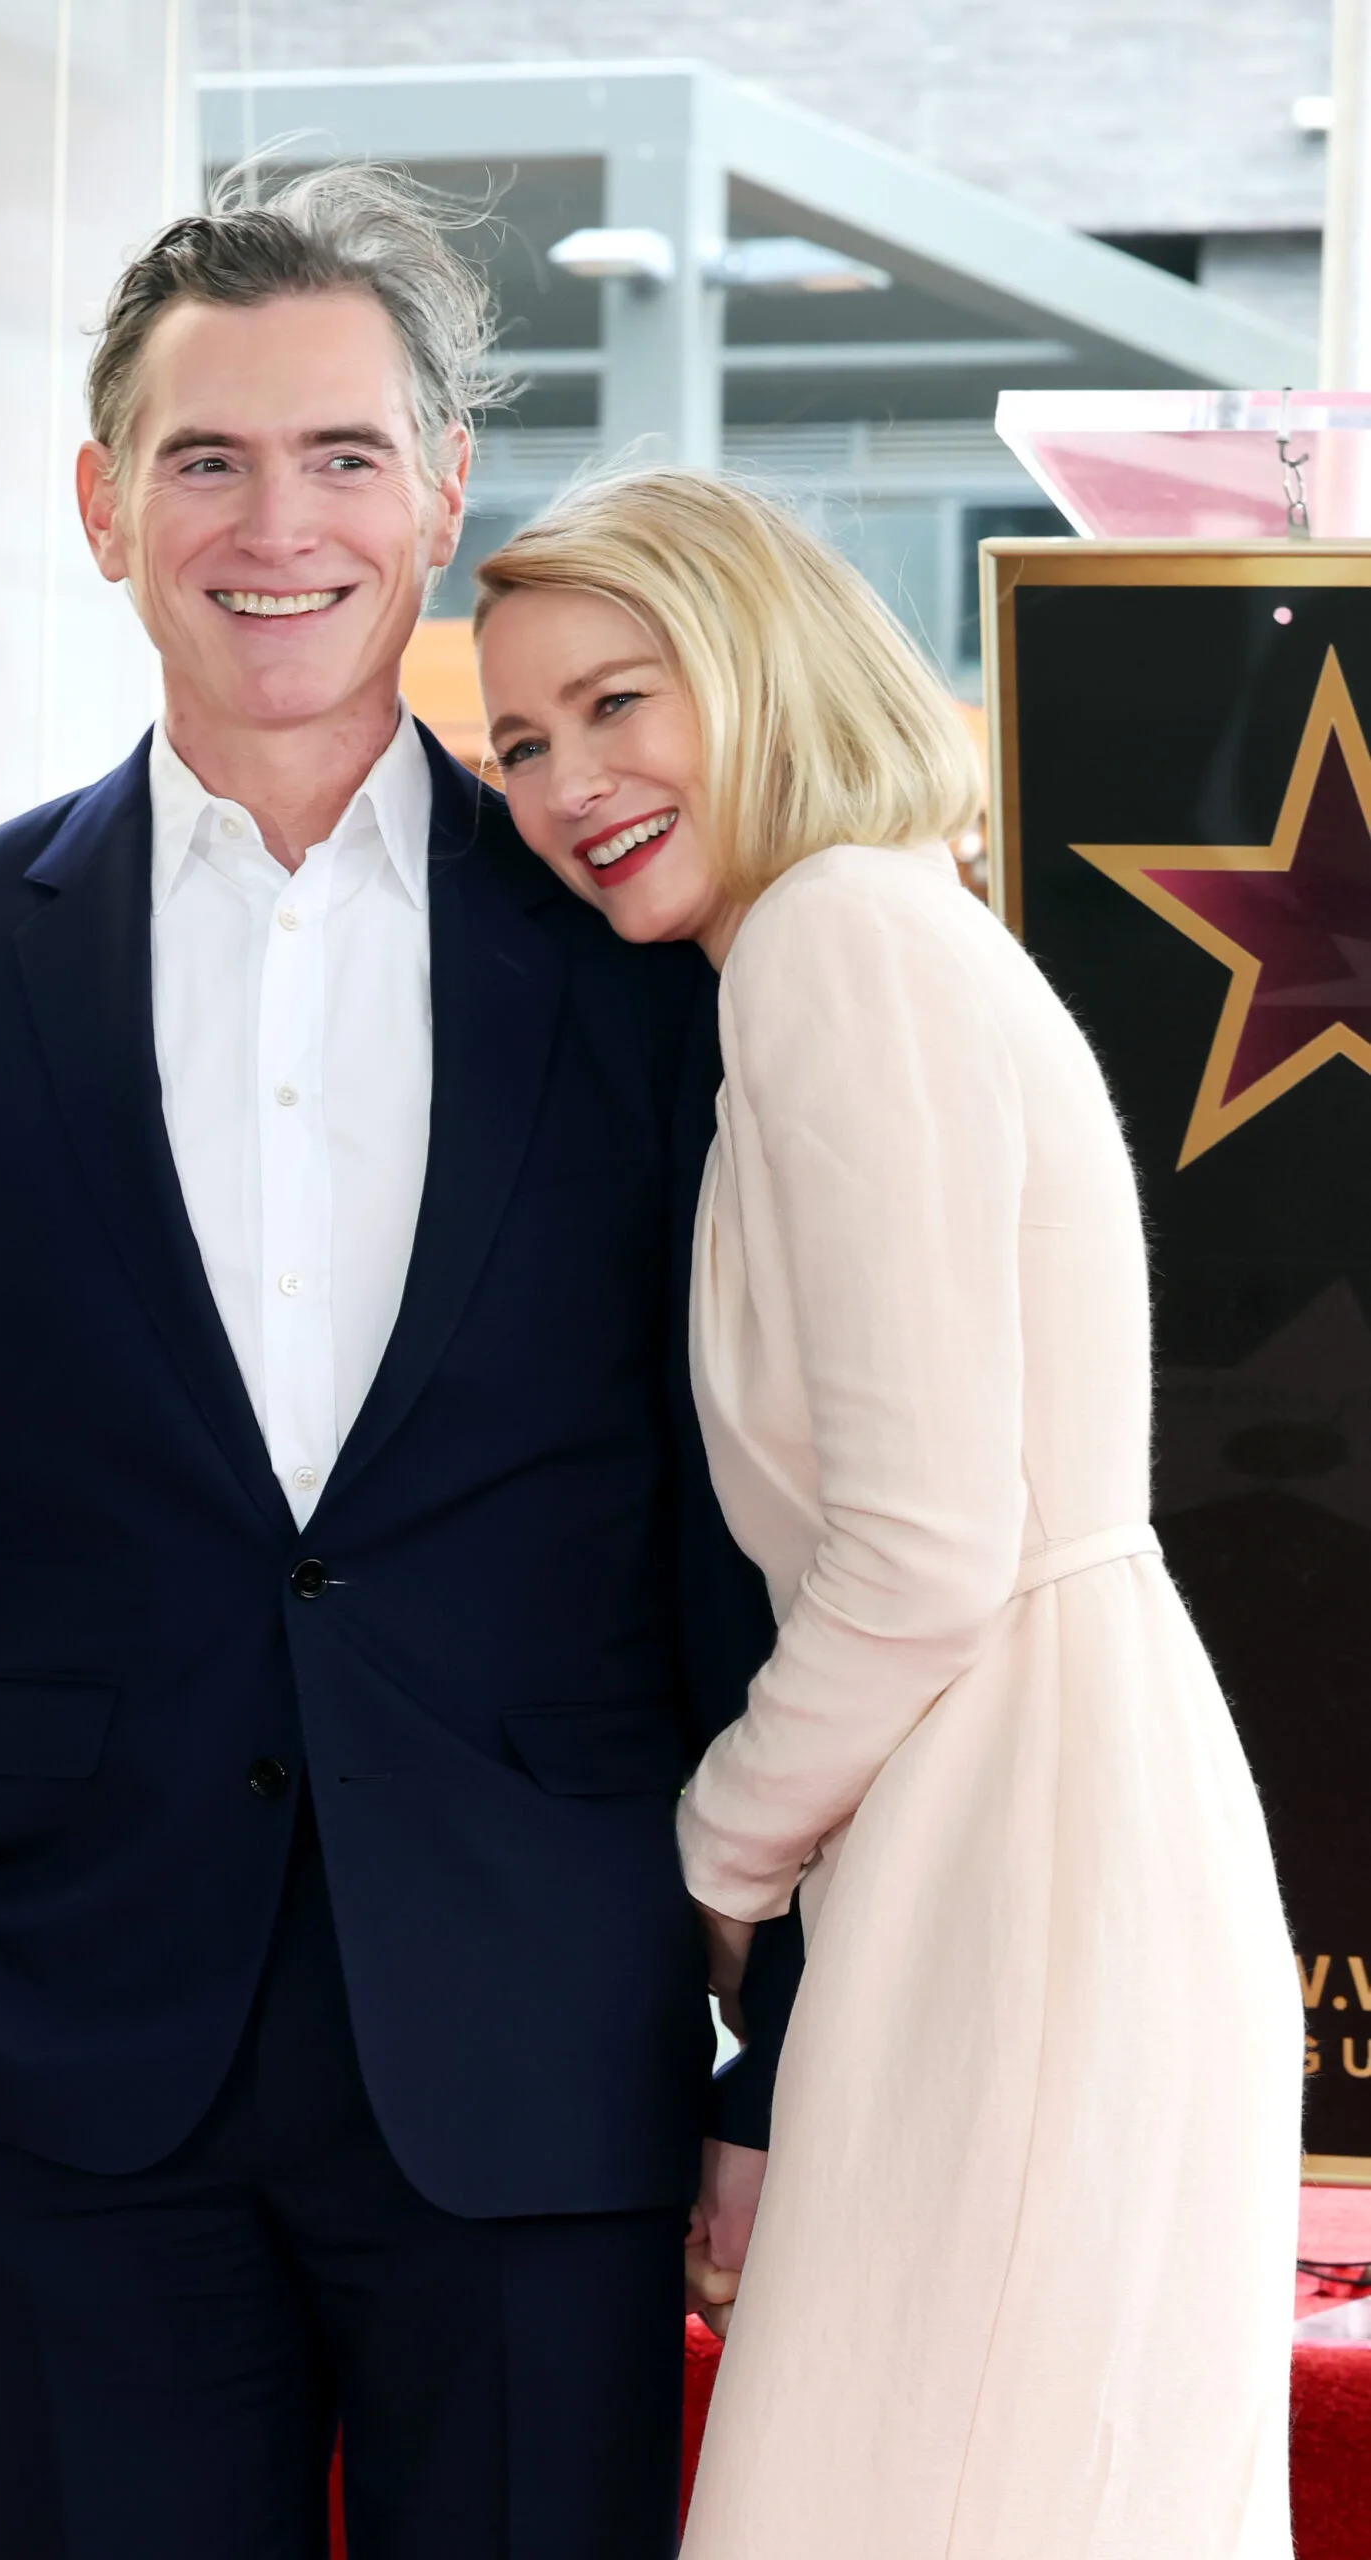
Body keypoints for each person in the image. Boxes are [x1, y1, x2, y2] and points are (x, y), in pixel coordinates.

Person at [0, 177, 800, 2560]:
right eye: (204, 458)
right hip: (62, 2056)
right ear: (102, 503)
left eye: (340, 455)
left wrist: (782, 2035)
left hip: (542, 2042)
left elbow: (750, 1519)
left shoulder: (642, 958)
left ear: (440, 491)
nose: (275, 524)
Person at [474, 469, 1303, 2559]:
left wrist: (705, 1859)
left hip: (1008, 1843)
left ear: (758, 664)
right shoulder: (876, 929)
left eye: (618, 701)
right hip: (1027, 1820)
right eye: (520, 744)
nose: (569, 785)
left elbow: (924, 1548)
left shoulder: (829, 942)